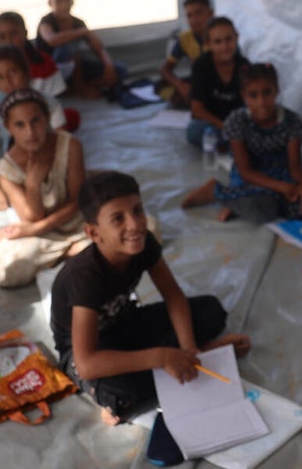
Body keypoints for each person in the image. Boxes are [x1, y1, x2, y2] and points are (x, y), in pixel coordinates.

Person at [50, 170, 251, 425]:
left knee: (210, 310)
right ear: (93, 233)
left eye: (137, 210)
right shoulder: (85, 276)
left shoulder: (145, 244)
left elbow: (174, 297)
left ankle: (191, 357)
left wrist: (189, 346)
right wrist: (161, 356)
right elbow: (87, 363)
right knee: (122, 394)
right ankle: (176, 362)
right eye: (117, 219)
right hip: (86, 351)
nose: (134, 224)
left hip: (126, 322)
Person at [183, 63, 302, 223]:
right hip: (250, 176)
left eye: (267, 93)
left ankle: (237, 204)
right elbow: (245, 171)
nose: (262, 102)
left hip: (280, 171)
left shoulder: (292, 122)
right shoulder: (237, 122)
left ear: (276, 90)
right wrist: (282, 188)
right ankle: (215, 191)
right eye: (253, 95)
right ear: (244, 96)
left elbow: (295, 166)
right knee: (263, 211)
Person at [0, 89, 90, 288]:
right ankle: (77, 252)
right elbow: (32, 216)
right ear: (8, 127)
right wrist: (33, 184)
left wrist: (35, 228)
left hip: (79, 222)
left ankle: (75, 251)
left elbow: (77, 201)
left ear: (48, 119)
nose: (30, 132)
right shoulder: (6, 169)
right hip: (44, 235)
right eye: (20, 125)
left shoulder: (69, 145)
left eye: (36, 121)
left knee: (146, 229)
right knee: (4, 271)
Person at [0, 45, 69, 211]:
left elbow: (63, 144)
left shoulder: (50, 105)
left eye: (13, 73)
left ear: (26, 72)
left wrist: (43, 175)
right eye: (0, 77)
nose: (8, 82)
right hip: (9, 172)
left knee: (64, 191)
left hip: (44, 166)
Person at [0, 11, 78, 135]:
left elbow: (52, 102)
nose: (8, 40)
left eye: (13, 34)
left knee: (70, 117)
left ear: (25, 33)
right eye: (2, 36)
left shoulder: (43, 61)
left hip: (38, 120)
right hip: (2, 123)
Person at [35, 0, 126, 98]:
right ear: (50, 3)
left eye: (67, 0)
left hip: (74, 71)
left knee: (120, 70)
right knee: (68, 47)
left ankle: (72, 89)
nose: (64, 6)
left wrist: (108, 65)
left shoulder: (78, 23)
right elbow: (52, 40)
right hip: (51, 72)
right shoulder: (46, 22)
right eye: (59, 1)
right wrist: (81, 32)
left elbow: (97, 47)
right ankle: (79, 88)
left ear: (72, 1)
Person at [186, 16, 250, 148]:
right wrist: (224, 126)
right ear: (208, 44)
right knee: (195, 132)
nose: (225, 46)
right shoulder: (201, 66)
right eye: (218, 42)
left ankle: (234, 143)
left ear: (236, 38)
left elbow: (250, 104)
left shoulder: (244, 66)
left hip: (237, 121)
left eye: (228, 39)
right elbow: (197, 109)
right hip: (213, 123)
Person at [158, 0, 213, 107]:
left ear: (210, 14)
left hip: (217, 82)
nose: (194, 19)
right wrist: (180, 85)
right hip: (197, 82)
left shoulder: (219, 36)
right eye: (189, 15)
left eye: (199, 13)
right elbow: (165, 69)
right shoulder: (185, 38)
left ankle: (192, 101)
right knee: (160, 86)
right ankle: (187, 99)